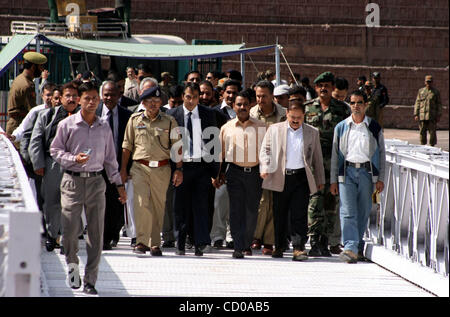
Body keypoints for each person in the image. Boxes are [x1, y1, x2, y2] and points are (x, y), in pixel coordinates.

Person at [50, 81, 127, 295]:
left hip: (96, 182)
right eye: (87, 98)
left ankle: (90, 280)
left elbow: (111, 160)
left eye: (95, 98)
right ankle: (72, 267)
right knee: (70, 230)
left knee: (95, 234)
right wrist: (73, 158)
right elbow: (55, 150)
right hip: (72, 181)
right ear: (79, 100)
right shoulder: (67, 124)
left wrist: (118, 185)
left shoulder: (104, 127)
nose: (92, 102)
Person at [121, 86, 183, 256]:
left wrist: (179, 169)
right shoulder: (134, 120)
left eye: (157, 101)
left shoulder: (170, 121)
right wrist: (123, 170)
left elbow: (177, 147)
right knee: (141, 204)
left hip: (162, 168)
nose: (154, 105)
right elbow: (127, 145)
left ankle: (155, 243)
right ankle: (141, 242)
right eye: (150, 102)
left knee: (158, 205)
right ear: (144, 103)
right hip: (139, 167)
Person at [260, 100, 325, 260]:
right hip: (280, 176)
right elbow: (265, 149)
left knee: (299, 213)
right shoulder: (275, 129)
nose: (295, 120)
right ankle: (279, 246)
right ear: (286, 115)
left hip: (301, 177)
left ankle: (298, 247)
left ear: (304, 116)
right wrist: (265, 167)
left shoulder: (312, 132)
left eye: (299, 117)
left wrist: (320, 179)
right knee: (279, 213)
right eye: (292, 117)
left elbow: (317, 158)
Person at [330, 90, 385, 263]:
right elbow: (335, 155)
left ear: (366, 104)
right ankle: (350, 247)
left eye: (359, 102)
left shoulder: (374, 127)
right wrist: (333, 180)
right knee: (347, 211)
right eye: (353, 103)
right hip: (347, 172)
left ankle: (357, 246)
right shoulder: (341, 127)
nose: (356, 106)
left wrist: (381, 178)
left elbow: (382, 154)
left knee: (362, 211)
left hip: (367, 173)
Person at [167, 82, 219, 256]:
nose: (191, 101)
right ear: (183, 96)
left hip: (202, 166)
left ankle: (200, 243)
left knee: (201, 206)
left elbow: (214, 144)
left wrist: (215, 171)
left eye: (195, 97)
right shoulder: (172, 115)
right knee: (180, 206)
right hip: (181, 167)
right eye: (188, 97)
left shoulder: (208, 114)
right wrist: (174, 168)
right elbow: (169, 144)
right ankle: (180, 243)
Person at [29, 82, 81, 253]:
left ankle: (68, 237)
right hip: (53, 163)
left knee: (72, 202)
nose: (71, 99)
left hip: (76, 164)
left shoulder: (84, 117)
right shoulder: (47, 115)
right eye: (68, 95)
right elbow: (35, 140)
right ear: (61, 97)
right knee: (51, 201)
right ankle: (52, 235)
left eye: (75, 96)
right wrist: (39, 164)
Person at [304, 71, 351, 256]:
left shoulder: (343, 110)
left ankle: (327, 241)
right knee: (315, 203)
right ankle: (315, 241)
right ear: (316, 88)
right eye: (320, 86)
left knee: (331, 204)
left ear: (333, 88)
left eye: (327, 85)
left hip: (334, 164)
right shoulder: (307, 108)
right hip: (314, 164)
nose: (323, 88)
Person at [215, 91, 266, 258]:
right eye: (239, 104)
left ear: (250, 105)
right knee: (236, 210)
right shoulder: (226, 128)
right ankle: (238, 246)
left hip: (255, 173)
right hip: (234, 173)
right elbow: (221, 154)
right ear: (233, 106)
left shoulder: (261, 127)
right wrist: (219, 174)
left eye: (245, 104)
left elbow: (268, 152)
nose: (242, 107)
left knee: (251, 210)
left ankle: (247, 243)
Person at [249, 80, 286, 255]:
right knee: (261, 201)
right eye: (258, 96)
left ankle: (269, 241)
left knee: (274, 202)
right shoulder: (251, 114)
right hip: (257, 164)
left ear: (272, 96)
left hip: (279, 164)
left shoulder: (284, 115)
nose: (260, 99)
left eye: (264, 96)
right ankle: (256, 236)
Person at [97, 81, 133, 250]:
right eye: (106, 94)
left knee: (117, 201)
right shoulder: (94, 113)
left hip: (119, 166)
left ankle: (113, 235)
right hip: (97, 166)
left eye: (112, 94)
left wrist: (127, 168)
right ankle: (102, 237)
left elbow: (131, 143)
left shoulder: (127, 116)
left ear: (119, 96)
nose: (109, 98)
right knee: (100, 201)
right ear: (101, 95)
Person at [210, 79, 241, 249]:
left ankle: (232, 236)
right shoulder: (213, 112)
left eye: (234, 92)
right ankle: (217, 236)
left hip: (239, 164)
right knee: (219, 201)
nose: (231, 95)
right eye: (228, 92)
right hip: (220, 164)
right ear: (222, 93)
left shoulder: (244, 113)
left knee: (235, 202)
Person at [6, 52, 47, 139]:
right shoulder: (27, 85)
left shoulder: (19, 78)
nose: (42, 70)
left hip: (14, 124)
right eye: (40, 67)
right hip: (19, 126)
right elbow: (32, 110)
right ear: (33, 67)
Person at [413, 75, 442, 146]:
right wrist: (416, 114)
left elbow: (439, 104)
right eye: (427, 81)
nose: (429, 83)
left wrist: (439, 115)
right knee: (422, 131)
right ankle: (423, 145)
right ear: (425, 82)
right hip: (422, 115)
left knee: (432, 132)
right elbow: (417, 102)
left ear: (432, 82)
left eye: (430, 81)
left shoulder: (435, 92)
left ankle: (432, 145)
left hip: (432, 115)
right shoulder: (421, 91)